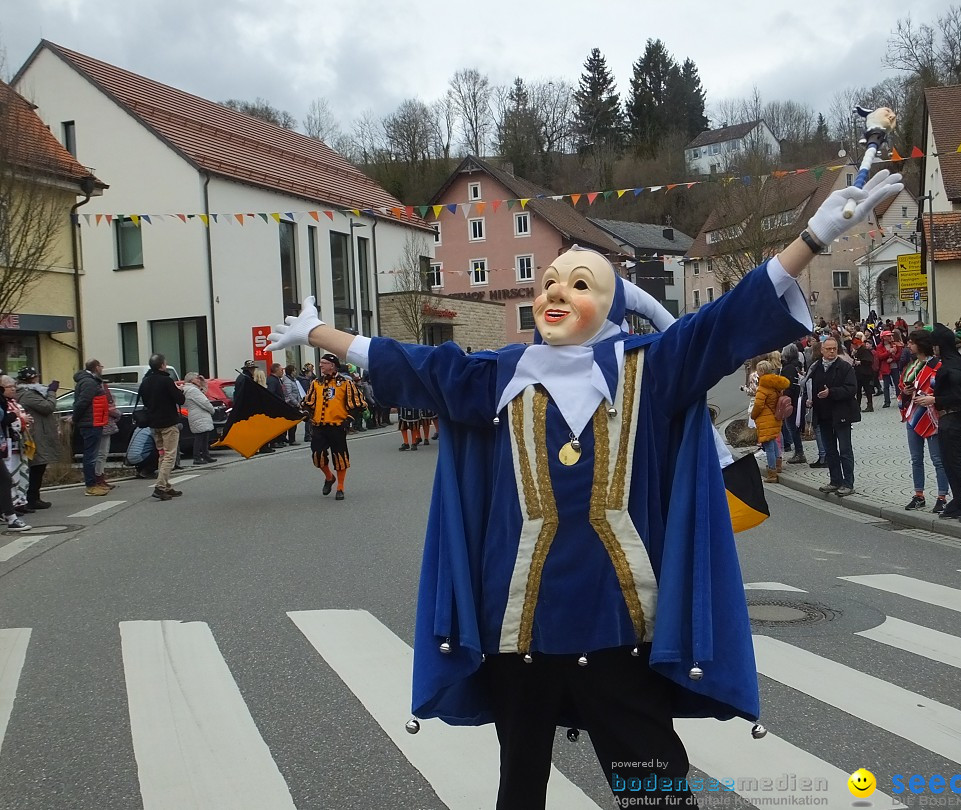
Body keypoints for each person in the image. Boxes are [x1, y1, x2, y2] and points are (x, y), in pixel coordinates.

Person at [265, 169, 902, 808]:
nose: (556, 293)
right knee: (519, 792)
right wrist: (320, 334)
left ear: (613, 303)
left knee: (654, 793)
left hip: (620, 630)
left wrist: (812, 240)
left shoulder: (649, 369)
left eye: (580, 283)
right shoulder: (499, 375)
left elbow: (722, 324)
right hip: (519, 634)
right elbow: (413, 365)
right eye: (548, 283)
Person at [917, 325, 961, 522]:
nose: (934, 349)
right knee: (948, 461)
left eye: (936, 345)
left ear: (941, 345)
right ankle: (958, 499)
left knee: (956, 462)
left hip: (954, 417)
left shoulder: (953, 365)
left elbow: (958, 396)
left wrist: (934, 400)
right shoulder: (949, 362)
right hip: (947, 417)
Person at [301, 353, 364, 500]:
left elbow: (358, 405)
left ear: (332, 365)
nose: (321, 365)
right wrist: (305, 412)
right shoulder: (316, 383)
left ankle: (340, 487)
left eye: (324, 363)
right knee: (318, 456)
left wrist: (348, 420)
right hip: (318, 426)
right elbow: (308, 403)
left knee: (340, 457)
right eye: (321, 363)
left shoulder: (345, 383)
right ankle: (329, 477)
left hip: (337, 426)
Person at [899, 329, 949, 513]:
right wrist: (906, 393)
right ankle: (919, 495)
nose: (909, 346)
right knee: (915, 459)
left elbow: (946, 392)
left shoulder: (938, 366)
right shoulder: (912, 366)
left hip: (933, 417)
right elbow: (903, 388)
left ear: (920, 344)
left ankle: (942, 496)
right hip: (914, 415)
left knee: (938, 459)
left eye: (911, 342)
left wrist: (933, 398)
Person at [807, 337, 860, 496]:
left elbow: (851, 389)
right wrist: (809, 400)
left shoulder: (844, 367)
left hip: (841, 415)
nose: (831, 352)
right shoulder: (816, 368)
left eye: (834, 349)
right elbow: (810, 387)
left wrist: (831, 392)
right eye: (828, 349)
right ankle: (835, 481)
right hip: (823, 416)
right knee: (830, 451)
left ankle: (848, 483)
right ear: (822, 350)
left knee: (845, 450)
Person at [138, 354, 185, 501]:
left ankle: (166, 485)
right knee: (170, 455)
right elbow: (180, 400)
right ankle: (159, 486)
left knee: (162, 454)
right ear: (162, 366)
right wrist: (180, 390)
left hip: (153, 423)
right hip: (168, 423)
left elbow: (145, 400)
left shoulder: (145, 382)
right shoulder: (166, 380)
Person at [15, 368, 61, 510]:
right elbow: (48, 407)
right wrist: (52, 392)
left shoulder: (32, 392)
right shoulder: (28, 394)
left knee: (38, 466)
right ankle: (31, 498)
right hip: (37, 435)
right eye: (36, 377)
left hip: (40, 433)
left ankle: (33, 497)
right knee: (36, 466)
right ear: (31, 379)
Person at [71, 358, 110, 496]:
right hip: (91, 422)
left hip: (94, 421)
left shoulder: (90, 381)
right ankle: (91, 486)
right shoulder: (89, 382)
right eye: (101, 366)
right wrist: (75, 418)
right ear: (95, 367)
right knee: (91, 456)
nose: (102, 369)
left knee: (92, 454)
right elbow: (83, 402)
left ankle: (93, 484)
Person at [751, 360, 790, 483]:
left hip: (765, 419)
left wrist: (753, 415)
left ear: (761, 371)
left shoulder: (763, 387)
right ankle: (778, 465)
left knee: (768, 447)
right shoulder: (776, 384)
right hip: (775, 417)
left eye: (758, 370)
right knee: (774, 443)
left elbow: (758, 405)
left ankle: (772, 473)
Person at [2, 376, 32, 513]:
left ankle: (21, 501)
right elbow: (7, 420)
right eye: (9, 386)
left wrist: (26, 420)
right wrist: (20, 419)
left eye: (14, 386)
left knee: (22, 472)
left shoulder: (14, 402)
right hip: (9, 443)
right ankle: (11, 505)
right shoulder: (4, 403)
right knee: (11, 474)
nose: (13, 388)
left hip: (20, 442)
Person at [779, 343, 805, 464]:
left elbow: (787, 386)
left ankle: (799, 452)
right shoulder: (797, 366)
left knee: (791, 427)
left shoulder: (788, 368)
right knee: (793, 427)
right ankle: (798, 452)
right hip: (797, 401)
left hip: (791, 402)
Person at [183, 372, 216, 465]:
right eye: (197, 378)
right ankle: (197, 457)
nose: (198, 380)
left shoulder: (190, 389)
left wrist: (204, 383)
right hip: (199, 415)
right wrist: (212, 410)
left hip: (197, 415)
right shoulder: (193, 390)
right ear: (191, 380)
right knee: (200, 436)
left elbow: (203, 393)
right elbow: (204, 401)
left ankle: (205, 455)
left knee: (204, 436)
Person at [873, 330, 903, 408]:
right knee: (886, 385)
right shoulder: (880, 346)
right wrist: (889, 352)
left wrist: (892, 358)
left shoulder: (894, 345)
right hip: (885, 368)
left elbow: (899, 355)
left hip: (894, 366)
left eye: (891, 336)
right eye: (888, 336)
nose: (890, 337)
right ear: (884, 337)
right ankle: (887, 402)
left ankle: (900, 400)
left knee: (897, 384)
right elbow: (880, 356)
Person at [851, 332, 876, 412]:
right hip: (859, 374)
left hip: (865, 373)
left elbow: (869, 360)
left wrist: (860, 362)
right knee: (858, 391)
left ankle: (869, 405)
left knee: (867, 390)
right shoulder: (858, 351)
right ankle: (858, 406)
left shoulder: (864, 350)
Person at [282, 365, 303, 444]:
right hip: (291, 405)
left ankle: (291, 438)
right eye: (294, 370)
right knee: (292, 422)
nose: (295, 372)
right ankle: (291, 439)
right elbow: (288, 394)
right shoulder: (287, 381)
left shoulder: (293, 380)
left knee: (294, 422)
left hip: (294, 404)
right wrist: (296, 403)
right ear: (291, 371)